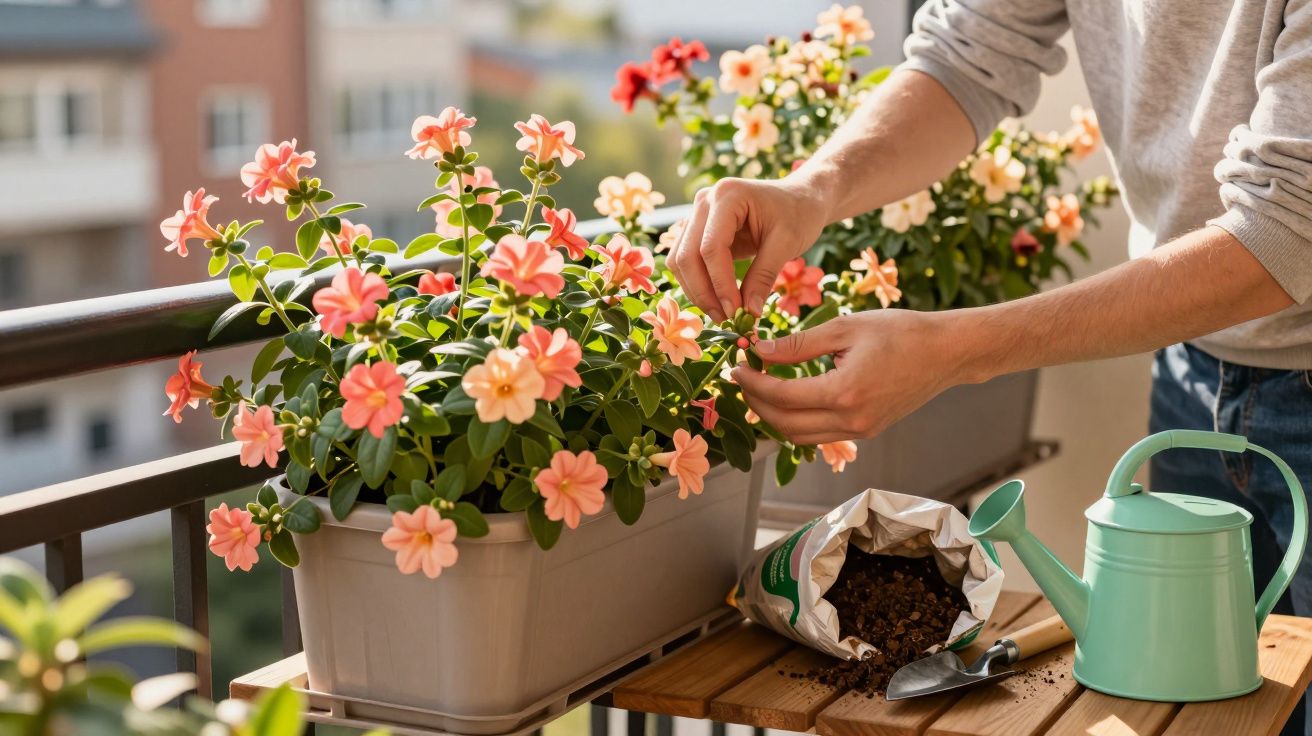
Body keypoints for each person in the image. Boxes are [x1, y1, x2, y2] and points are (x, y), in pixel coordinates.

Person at [666, 1, 1312, 732]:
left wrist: (956, 353)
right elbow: (967, 53)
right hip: (1194, 371)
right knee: (1196, 709)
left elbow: (1285, 230)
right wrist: (811, 189)